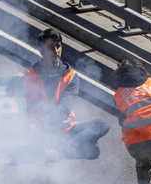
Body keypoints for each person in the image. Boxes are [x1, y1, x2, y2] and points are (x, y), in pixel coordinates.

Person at [14, 28, 110, 160]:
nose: (56, 51)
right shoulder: (28, 75)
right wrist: (13, 82)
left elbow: (64, 110)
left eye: (58, 46)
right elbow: (12, 102)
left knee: (102, 125)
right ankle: (70, 147)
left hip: (64, 129)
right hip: (40, 132)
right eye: (51, 47)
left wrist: (40, 124)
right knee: (91, 150)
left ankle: (59, 151)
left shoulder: (71, 77)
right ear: (41, 51)